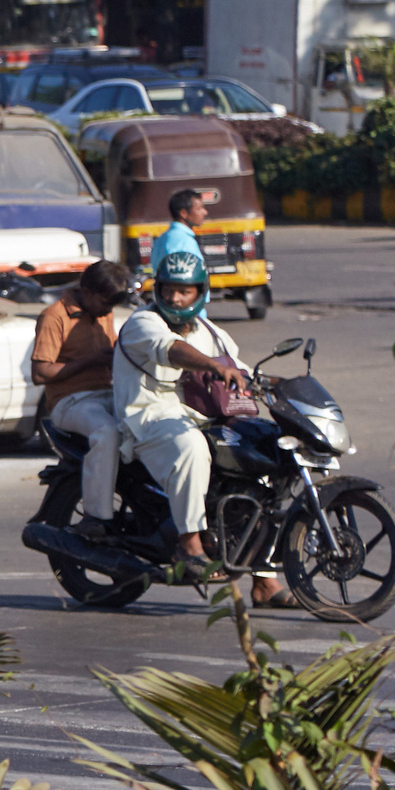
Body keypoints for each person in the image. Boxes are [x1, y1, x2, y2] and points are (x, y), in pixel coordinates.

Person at [113, 250, 287, 601]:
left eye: (185, 291)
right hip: (151, 416)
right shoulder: (143, 323)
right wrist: (211, 366)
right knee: (190, 446)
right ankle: (189, 544)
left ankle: (264, 577)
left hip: (200, 416)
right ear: (157, 290)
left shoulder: (212, 332)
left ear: (200, 292)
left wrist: (280, 383)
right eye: (168, 290)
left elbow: (237, 368)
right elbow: (171, 349)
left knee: (268, 457)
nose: (175, 299)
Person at [31, 261, 131, 539]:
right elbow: (40, 372)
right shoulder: (55, 316)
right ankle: (95, 516)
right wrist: (88, 362)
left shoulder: (103, 311)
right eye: (105, 302)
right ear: (86, 292)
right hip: (70, 402)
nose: (108, 309)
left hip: (108, 393)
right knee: (107, 432)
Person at [150, 188, 207, 277]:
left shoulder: (161, 239)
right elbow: (187, 279)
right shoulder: (184, 241)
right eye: (199, 208)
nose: (205, 212)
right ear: (183, 213)